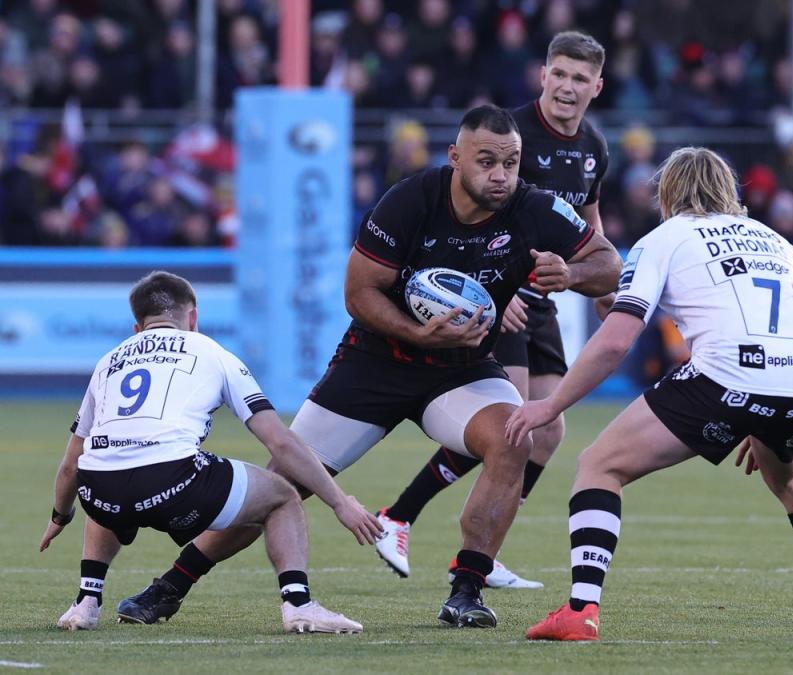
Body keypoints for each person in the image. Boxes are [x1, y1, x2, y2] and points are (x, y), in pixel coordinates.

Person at [116, 105, 621, 630]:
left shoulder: (534, 207)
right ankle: (170, 586)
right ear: (455, 158)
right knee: (283, 484)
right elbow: (358, 293)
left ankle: (466, 590)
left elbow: (609, 263)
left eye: (511, 163)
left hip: (461, 367)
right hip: (377, 362)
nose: (500, 175)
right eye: (487, 161)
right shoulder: (409, 201)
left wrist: (571, 272)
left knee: (515, 436)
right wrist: (419, 331)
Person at [505, 147, 793, 642]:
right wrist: (773, 407)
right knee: (790, 479)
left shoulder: (664, 238)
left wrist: (550, 405)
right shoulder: (777, 242)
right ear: (729, 190)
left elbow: (617, 340)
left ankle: (580, 610)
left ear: (668, 193)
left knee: (599, 465)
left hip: (728, 377)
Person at [375, 30, 611, 589]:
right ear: (543, 76)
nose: (567, 86)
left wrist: (595, 279)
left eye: (580, 78)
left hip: (542, 300)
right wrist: (490, 293)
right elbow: (463, 210)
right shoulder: (508, 133)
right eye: (559, 73)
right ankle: (403, 517)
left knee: (547, 430)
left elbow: (590, 220)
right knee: (511, 428)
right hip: (495, 300)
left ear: (597, 87)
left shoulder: (595, 148)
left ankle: (482, 539)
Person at [41, 271, 383, 634]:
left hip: (98, 491)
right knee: (282, 495)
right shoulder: (210, 351)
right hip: (172, 481)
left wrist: (60, 516)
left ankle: (86, 603)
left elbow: (71, 465)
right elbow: (279, 442)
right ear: (193, 318)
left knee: (106, 459)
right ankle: (299, 605)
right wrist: (339, 502)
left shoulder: (107, 362)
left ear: (136, 328)